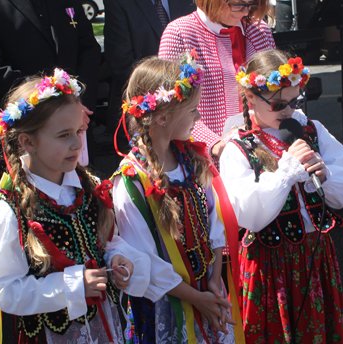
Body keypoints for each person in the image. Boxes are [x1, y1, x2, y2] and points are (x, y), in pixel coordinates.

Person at [0, 69, 151, 343]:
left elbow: (107, 241)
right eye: (64, 135)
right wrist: (74, 286)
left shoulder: (87, 186)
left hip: (105, 326)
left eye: (79, 131)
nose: (77, 144)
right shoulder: (11, 210)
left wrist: (118, 257)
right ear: (27, 142)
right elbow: (6, 290)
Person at [220, 49, 343, 343]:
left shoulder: (313, 130)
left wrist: (324, 175)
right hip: (269, 262)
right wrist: (284, 174)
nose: (288, 111)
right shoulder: (238, 147)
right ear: (251, 98)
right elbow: (248, 214)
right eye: (279, 104)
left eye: (296, 102)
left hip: (315, 256)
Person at [112, 53, 243, 343]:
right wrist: (198, 298)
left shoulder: (191, 159)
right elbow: (145, 260)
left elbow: (214, 220)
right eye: (193, 110)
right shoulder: (131, 182)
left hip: (206, 288)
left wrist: (214, 278)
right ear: (162, 117)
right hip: (168, 303)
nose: (199, 117)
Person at [0, 0, 101, 184]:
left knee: (83, 197)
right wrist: (50, 103)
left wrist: (75, 102)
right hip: (28, 127)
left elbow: (89, 50)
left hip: (77, 120)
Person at [159, 0, 275, 161]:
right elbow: (171, 107)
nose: (246, 12)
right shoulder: (180, 32)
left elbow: (277, 93)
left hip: (263, 153)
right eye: (238, 4)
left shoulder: (260, 30)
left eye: (252, 4)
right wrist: (214, 144)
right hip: (207, 161)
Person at [103, 0, 196, 152]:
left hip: (186, 116)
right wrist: (164, 99)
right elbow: (120, 62)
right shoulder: (120, 3)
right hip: (143, 116)